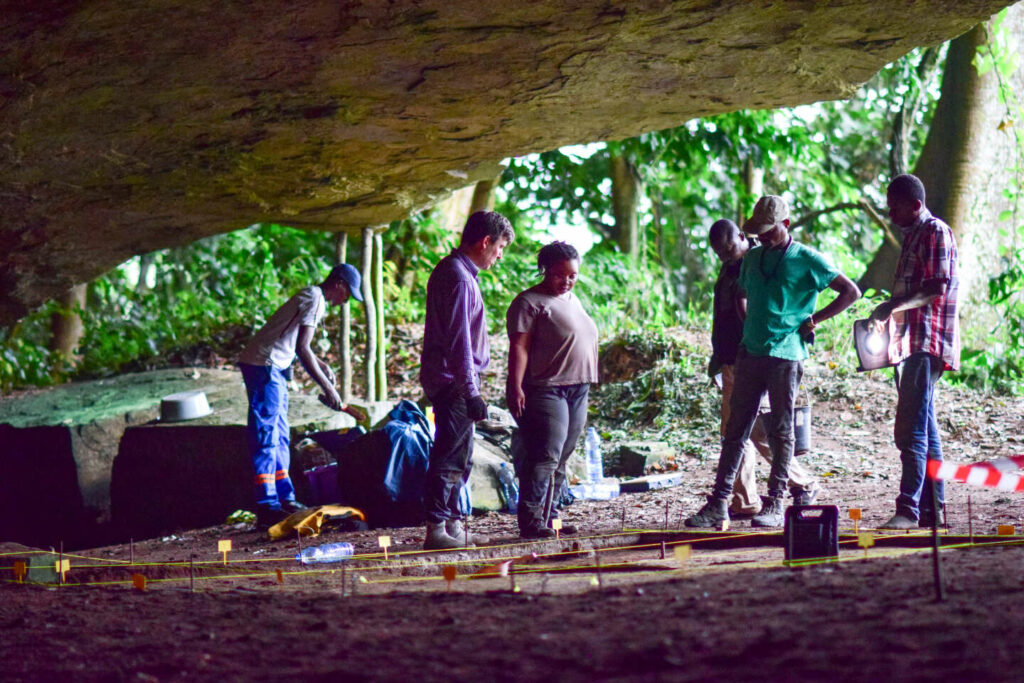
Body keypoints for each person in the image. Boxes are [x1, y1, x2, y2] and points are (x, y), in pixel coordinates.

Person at [686, 195, 859, 528]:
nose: (762, 237)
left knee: (781, 432)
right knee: (736, 430)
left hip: (786, 356)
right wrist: (743, 337)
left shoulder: (808, 259)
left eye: (768, 231)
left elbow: (850, 291)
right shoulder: (751, 259)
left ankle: (776, 501)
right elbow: (742, 297)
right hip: (749, 353)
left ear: (787, 225)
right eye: (759, 232)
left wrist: (814, 320)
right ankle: (719, 503)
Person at [238, 263, 367, 530]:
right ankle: (267, 505)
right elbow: (303, 349)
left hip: (275, 366)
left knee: (281, 434)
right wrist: (328, 389)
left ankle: (285, 498)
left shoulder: (312, 296)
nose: (345, 302)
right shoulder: (315, 299)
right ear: (339, 285)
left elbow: (299, 345)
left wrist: (322, 364)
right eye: (348, 295)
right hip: (265, 365)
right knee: (266, 434)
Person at [707, 219, 820, 516]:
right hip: (733, 358)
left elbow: (772, 312)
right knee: (737, 431)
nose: (725, 255)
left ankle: (799, 483)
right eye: (719, 252)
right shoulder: (733, 266)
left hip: (760, 357)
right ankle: (745, 499)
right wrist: (718, 359)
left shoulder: (762, 264)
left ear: (743, 238)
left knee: (754, 432)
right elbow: (724, 314)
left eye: (728, 248)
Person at [868, 174, 960, 530]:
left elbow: (936, 288)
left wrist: (892, 306)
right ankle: (932, 511)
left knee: (910, 430)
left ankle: (907, 510)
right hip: (911, 343)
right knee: (926, 427)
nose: (890, 213)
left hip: (928, 341)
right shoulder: (913, 237)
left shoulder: (935, 231)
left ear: (916, 205)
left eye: (895, 207)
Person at [420, 210, 515, 550]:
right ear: (485, 241)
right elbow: (458, 341)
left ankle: (453, 525)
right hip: (453, 381)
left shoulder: (460, 272)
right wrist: (470, 391)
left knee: (461, 455)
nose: (500, 255)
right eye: (500, 247)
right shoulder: (459, 277)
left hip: (456, 379)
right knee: (450, 456)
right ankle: (436, 530)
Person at [506, 241, 598, 538]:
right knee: (546, 454)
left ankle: (552, 517)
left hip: (578, 387)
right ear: (545, 270)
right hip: (547, 388)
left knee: (564, 455)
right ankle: (532, 522)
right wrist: (515, 385)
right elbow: (519, 347)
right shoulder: (529, 302)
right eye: (559, 275)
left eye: (572, 276)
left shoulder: (573, 299)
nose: (566, 281)